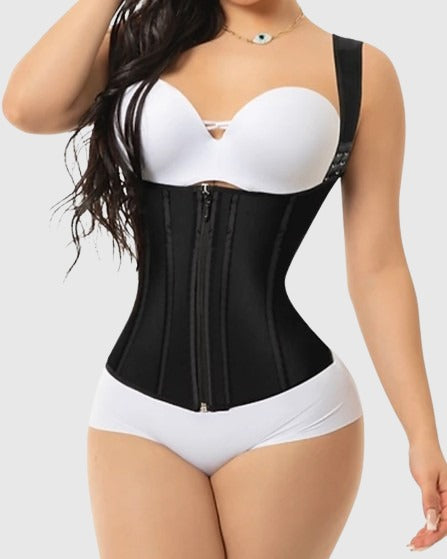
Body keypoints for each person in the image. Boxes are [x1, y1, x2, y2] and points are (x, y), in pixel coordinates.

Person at [3, 0, 446, 557]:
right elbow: (27, 107)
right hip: (137, 416)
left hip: (292, 417)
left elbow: (377, 265)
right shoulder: (146, 41)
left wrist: (422, 433)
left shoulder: (358, 70)